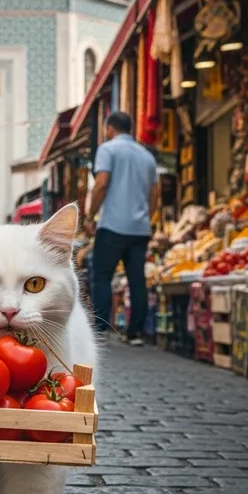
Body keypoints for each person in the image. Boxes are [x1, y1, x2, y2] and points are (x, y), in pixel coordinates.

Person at [84, 111, 158, 346]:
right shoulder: (147, 156)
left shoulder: (108, 149)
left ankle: (101, 330)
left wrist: (90, 214)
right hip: (140, 228)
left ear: (109, 129)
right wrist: (147, 216)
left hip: (113, 225)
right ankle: (135, 333)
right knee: (137, 278)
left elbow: (101, 183)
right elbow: (155, 193)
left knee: (102, 275)